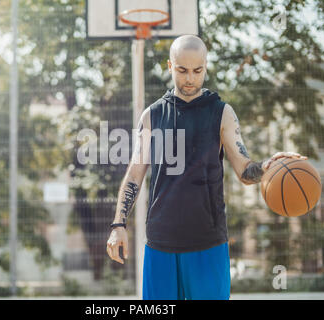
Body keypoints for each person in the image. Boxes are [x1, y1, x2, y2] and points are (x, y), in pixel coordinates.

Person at [106, 34, 307, 300]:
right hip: (160, 243)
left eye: (197, 71)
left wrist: (266, 167)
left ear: (206, 67)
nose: (190, 78)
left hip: (207, 242)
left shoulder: (222, 112)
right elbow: (134, 175)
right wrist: (118, 223)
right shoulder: (152, 116)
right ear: (170, 66)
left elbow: (245, 170)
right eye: (182, 70)